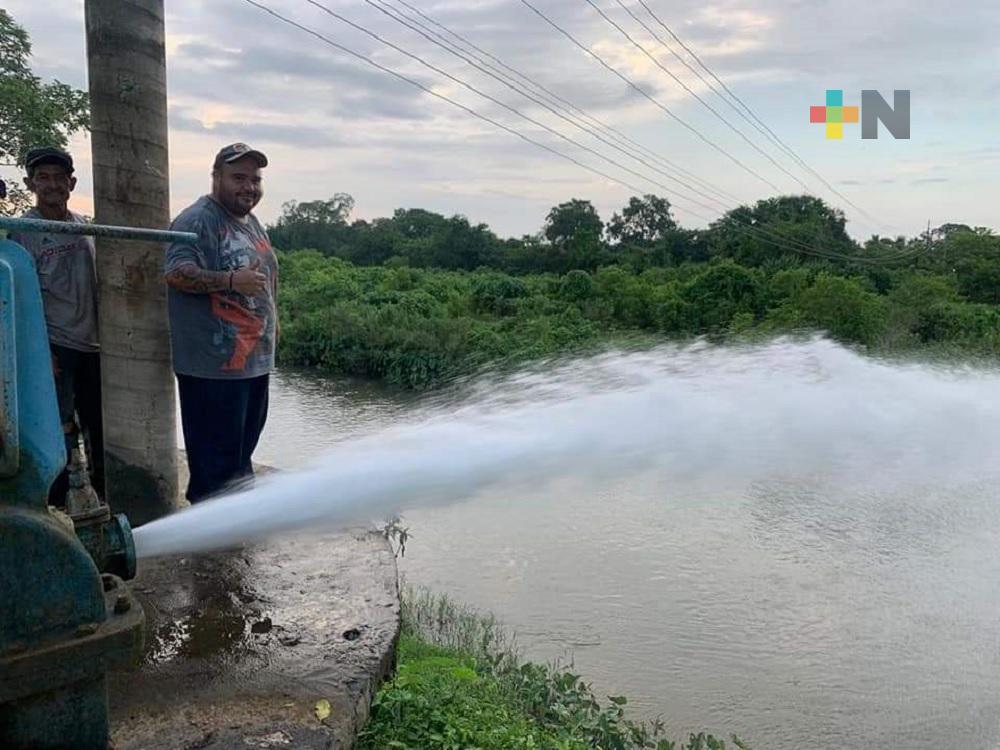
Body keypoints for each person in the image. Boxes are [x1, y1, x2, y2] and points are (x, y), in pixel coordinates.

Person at [164, 143, 279, 502]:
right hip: (213, 368)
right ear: (216, 178)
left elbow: (265, 277)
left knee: (240, 458)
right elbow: (177, 273)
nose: (248, 187)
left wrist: (275, 325)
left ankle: (231, 526)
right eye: (238, 178)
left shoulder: (251, 221)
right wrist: (230, 281)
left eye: (255, 179)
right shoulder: (198, 219)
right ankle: (206, 541)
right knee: (214, 463)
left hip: (252, 362)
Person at [10, 147, 104, 506]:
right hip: (56, 346)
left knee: (99, 424)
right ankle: (56, 503)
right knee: (59, 426)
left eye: (59, 178)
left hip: (93, 345)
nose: (52, 184)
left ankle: (102, 493)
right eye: (43, 177)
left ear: (72, 183)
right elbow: (20, 298)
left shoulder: (84, 228)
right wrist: (41, 351)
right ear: (30, 183)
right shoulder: (24, 232)